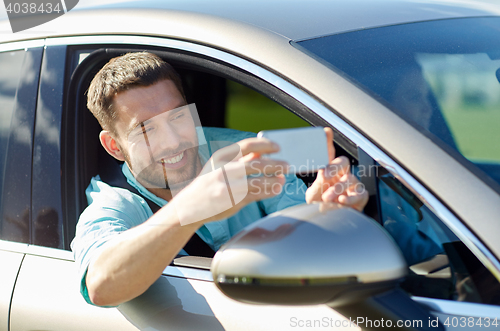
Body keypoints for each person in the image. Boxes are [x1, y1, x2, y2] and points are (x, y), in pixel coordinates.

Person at [71, 52, 368, 307]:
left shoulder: (243, 152)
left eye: (178, 117)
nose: (173, 141)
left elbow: (306, 251)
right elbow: (101, 286)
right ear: (114, 146)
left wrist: (320, 216)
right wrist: (191, 209)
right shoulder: (114, 203)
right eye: (146, 130)